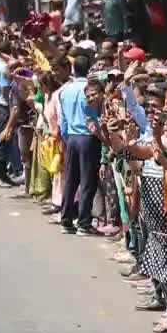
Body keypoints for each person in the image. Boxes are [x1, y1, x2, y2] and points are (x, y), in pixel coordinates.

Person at [57, 54, 102, 235]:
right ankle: (84, 222)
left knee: (71, 180)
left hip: (72, 137)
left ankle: (66, 219)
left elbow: (63, 118)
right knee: (87, 180)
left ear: (73, 69)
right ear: (89, 68)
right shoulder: (90, 88)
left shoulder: (65, 89)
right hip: (88, 136)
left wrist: (66, 137)